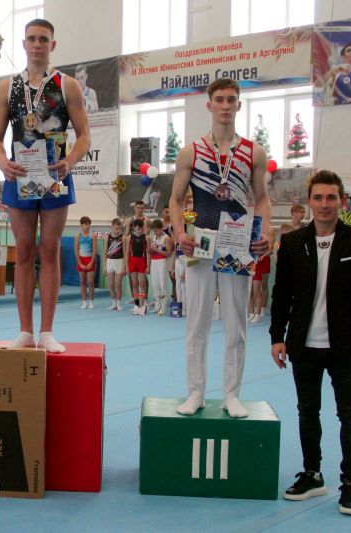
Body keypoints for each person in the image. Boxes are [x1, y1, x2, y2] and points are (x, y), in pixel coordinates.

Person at [270, 170, 351, 516]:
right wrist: (277, 337)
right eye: (318, 197)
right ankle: (312, 474)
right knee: (307, 412)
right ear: (309, 202)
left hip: (346, 346)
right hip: (303, 345)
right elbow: (281, 294)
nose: (324, 204)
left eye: (331, 197)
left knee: (349, 415)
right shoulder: (293, 243)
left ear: (342, 201)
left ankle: (350, 484)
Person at [169, 77, 270, 418]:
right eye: (220, 100)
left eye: (231, 100)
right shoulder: (191, 152)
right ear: (209, 105)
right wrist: (180, 232)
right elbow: (175, 199)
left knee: (235, 324)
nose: (225, 106)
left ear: (239, 105)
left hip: (237, 244)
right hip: (200, 243)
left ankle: (232, 395)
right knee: (196, 323)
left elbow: (262, 199)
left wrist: (264, 230)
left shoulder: (253, 152)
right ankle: (195, 392)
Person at [0, 18, 91, 353]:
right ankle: (24, 331)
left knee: (49, 249)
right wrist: (2, 163)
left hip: (55, 174)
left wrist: (70, 161)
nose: (37, 44)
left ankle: (46, 331)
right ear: (23, 44)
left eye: (43, 39)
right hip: (18, 174)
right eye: (31, 38)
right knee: (23, 252)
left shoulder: (67, 86)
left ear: (52, 45)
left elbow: (84, 136)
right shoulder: (7, 87)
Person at [248, 227, 276, 324]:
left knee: (263, 285)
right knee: (251, 290)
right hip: (253, 261)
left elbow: (271, 248)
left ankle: (261, 309)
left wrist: (263, 256)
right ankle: (252, 313)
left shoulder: (270, 229)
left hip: (263, 259)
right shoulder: (252, 227)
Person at [125, 218, 149, 315]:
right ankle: (136, 304)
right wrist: (126, 266)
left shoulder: (146, 238)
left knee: (142, 284)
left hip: (142, 261)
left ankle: (142, 305)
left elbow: (148, 253)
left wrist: (148, 266)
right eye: (138, 229)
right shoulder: (129, 238)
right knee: (135, 284)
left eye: (142, 229)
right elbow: (127, 252)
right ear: (134, 228)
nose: (140, 231)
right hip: (133, 261)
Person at [148, 219, 171, 314]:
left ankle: (163, 307)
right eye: (154, 231)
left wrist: (156, 250)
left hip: (162, 261)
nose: (155, 232)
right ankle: (157, 306)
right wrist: (150, 249)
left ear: (162, 228)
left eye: (157, 230)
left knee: (162, 285)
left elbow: (169, 253)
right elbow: (150, 251)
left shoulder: (166, 238)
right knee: (155, 285)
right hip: (154, 261)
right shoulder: (154, 237)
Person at [103, 217, 125, 310]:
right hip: (110, 261)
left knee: (118, 284)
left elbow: (125, 253)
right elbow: (105, 252)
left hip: (119, 261)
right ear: (112, 227)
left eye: (119, 228)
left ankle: (119, 303)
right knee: (111, 284)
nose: (118, 230)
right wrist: (104, 266)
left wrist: (124, 266)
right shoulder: (107, 237)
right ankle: (114, 303)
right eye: (116, 228)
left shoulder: (123, 237)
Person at [75, 216, 97, 309]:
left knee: (90, 281)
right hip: (81, 259)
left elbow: (95, 250)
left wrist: (91, 262)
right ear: (81, 225)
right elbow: (76, 251)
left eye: (89, 224)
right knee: (82, 282)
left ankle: (91, 301)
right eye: (85, 224)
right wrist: (80, 263)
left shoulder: (93, 235)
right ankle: (84, 302)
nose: (87, 226)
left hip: (90, 259)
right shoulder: (78, 236)